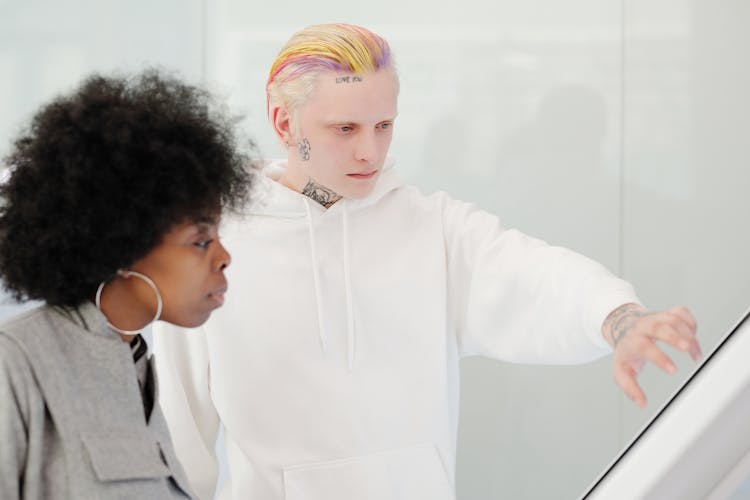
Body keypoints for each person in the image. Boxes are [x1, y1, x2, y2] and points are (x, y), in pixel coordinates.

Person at [153, 23, 702, 500]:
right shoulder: (214, 248)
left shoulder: (431, 229)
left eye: (384, 126)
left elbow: (535, 274)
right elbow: (177, 436)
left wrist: (617, 317)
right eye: (345, 129)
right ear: (283, 121)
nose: (371, 151)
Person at [0, 69, 253, 499]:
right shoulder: (15, 362)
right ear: (121, 242)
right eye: (201, 241)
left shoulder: (133, 363)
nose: (224, 257)